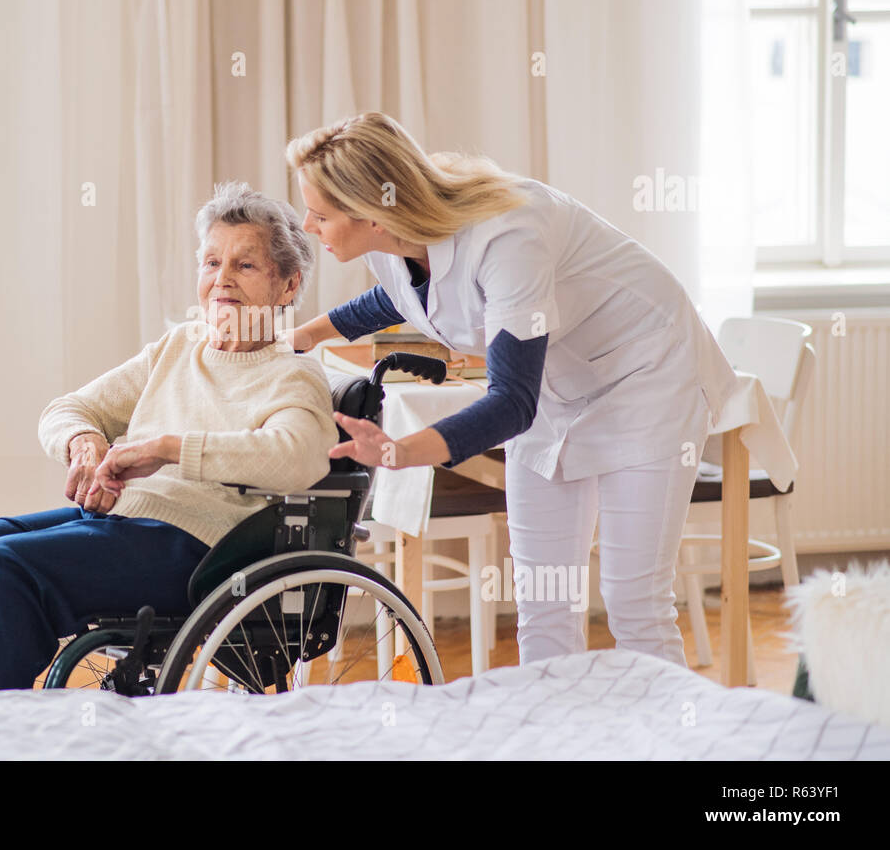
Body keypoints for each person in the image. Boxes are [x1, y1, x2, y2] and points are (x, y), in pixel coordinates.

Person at [284, 111, 738, 668]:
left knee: (634, 602)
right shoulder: (394, 237)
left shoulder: (508, 235)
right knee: (544, 599)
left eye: (320, 214)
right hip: (557, 382)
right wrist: (305, 335)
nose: (308, 226)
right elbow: (400, 296)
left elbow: (511, 404)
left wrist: (403, 451)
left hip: (647, 376)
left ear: (372, 213)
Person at [0, 182, 340, 699]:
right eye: (210, 262)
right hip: (121, 521)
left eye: (244, 266)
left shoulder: (293, 374)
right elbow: (67, 409)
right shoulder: (180, 346)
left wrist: (167, 448)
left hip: (202, 550)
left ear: (288, 286)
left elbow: (297, 457)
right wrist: (85, 443)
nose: (221, 280)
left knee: (3, 568)